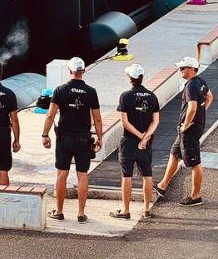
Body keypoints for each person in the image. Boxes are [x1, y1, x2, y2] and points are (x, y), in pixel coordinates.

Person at [41, 56, 103, 223]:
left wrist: (45, 134)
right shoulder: (91, 92)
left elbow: (50, 115)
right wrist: (100, 137)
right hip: (83, 138)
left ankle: (59, 211)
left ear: (69, 71)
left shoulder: (60, 90)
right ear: (83, 71)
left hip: (64, 137)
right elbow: (97, 118)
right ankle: (81, 214)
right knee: (82, 174)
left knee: (62, 173)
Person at [154, 56, 212, 207]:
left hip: (189, 129)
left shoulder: (191, 85)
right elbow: (209, 97)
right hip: (193, 126)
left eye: (183, 68)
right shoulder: (201, 82)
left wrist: (186, 124)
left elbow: (192, 107)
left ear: (192, 69)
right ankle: (162, 186)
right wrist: (201, 114)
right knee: (174, 153)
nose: (180, 70)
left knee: (195, 162)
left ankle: (196, 196)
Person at [111, 63, 159, 221]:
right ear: (142, 77)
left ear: (130, 78)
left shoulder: (125, 96)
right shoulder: (152, 96)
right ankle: (146, 209)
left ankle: (126, 210)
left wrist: (139, 136)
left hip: (129, 142)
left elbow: (124, 122)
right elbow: (156, 121)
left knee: (127, 175)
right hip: (146, 143)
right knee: (147, 174)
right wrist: (145, 138)